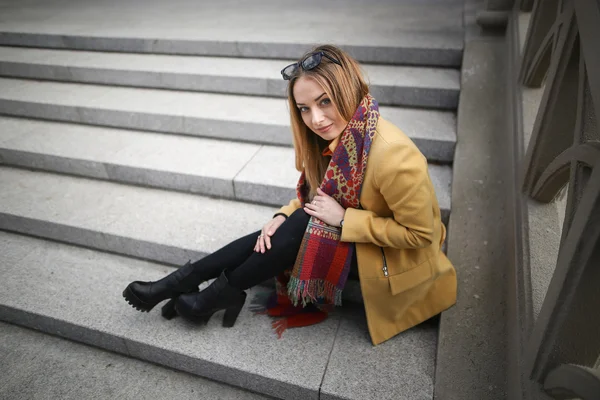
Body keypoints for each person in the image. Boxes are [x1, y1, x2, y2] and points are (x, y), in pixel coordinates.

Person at [123, 44, 457, 345]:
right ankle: (199, 287)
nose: (317, 118)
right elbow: (316, 196)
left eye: (325, 101)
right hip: (361, 243)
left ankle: (200, 289)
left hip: (399, 267)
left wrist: (344, 219)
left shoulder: (394, 156)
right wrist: (280, 216)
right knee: (295, 221)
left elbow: (421, 235)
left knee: (303, 224)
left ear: (348, 89)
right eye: (304, 108)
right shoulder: (344, 138)